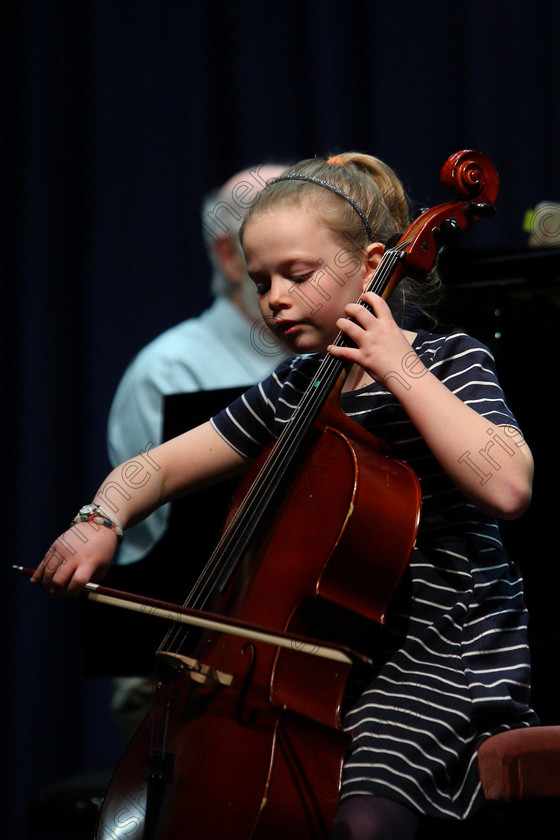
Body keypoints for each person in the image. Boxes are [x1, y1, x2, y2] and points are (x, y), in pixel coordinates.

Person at [34, 151, 538, 840]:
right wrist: (99, 518)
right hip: (327, 670)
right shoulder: (294, 388)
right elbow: (151, 468)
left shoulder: (451, 361)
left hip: (440, 666)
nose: (273, 297)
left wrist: (399, 369)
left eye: (297, 275)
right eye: (260, 278)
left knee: (360, 821)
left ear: (371, 266)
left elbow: (508, 486)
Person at [104, 164, 290, 738]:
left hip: (294, 650)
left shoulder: (340, 358)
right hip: (187, 660)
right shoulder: (171, 370)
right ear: (232, 259)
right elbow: (174, 559)